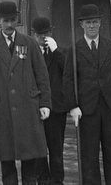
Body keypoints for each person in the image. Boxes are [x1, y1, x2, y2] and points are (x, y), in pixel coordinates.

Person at [0, 1, 52, 185]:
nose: (9, 25)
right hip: (2, 112)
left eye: (12, 20)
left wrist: (45, 103)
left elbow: (42, 75)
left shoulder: (29, 43)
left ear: (17, 19)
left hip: (28, 109)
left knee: (30, 164)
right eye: (5, 20)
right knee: (7, 166)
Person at [63, 4, 111, 185]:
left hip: (109, 107)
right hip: (87, 109)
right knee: (89, 155)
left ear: (100, 23)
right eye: (88, 22)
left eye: (95, 22)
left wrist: (107, 87)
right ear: (82, 25)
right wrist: (73, 105)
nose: (92, 26)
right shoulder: (74, 50)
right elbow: (68, 80)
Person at [31, 17, 68, 185]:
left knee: (56, 150)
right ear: (33, 35)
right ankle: (43, 181)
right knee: (39, 149)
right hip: (37, 107)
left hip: (56, 108)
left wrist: (56, 50)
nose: (43, 38)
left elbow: (68, 71)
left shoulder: (59, 52)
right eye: (40, 35)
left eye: (46, 34)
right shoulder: (30, 53)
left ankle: (58, 180)